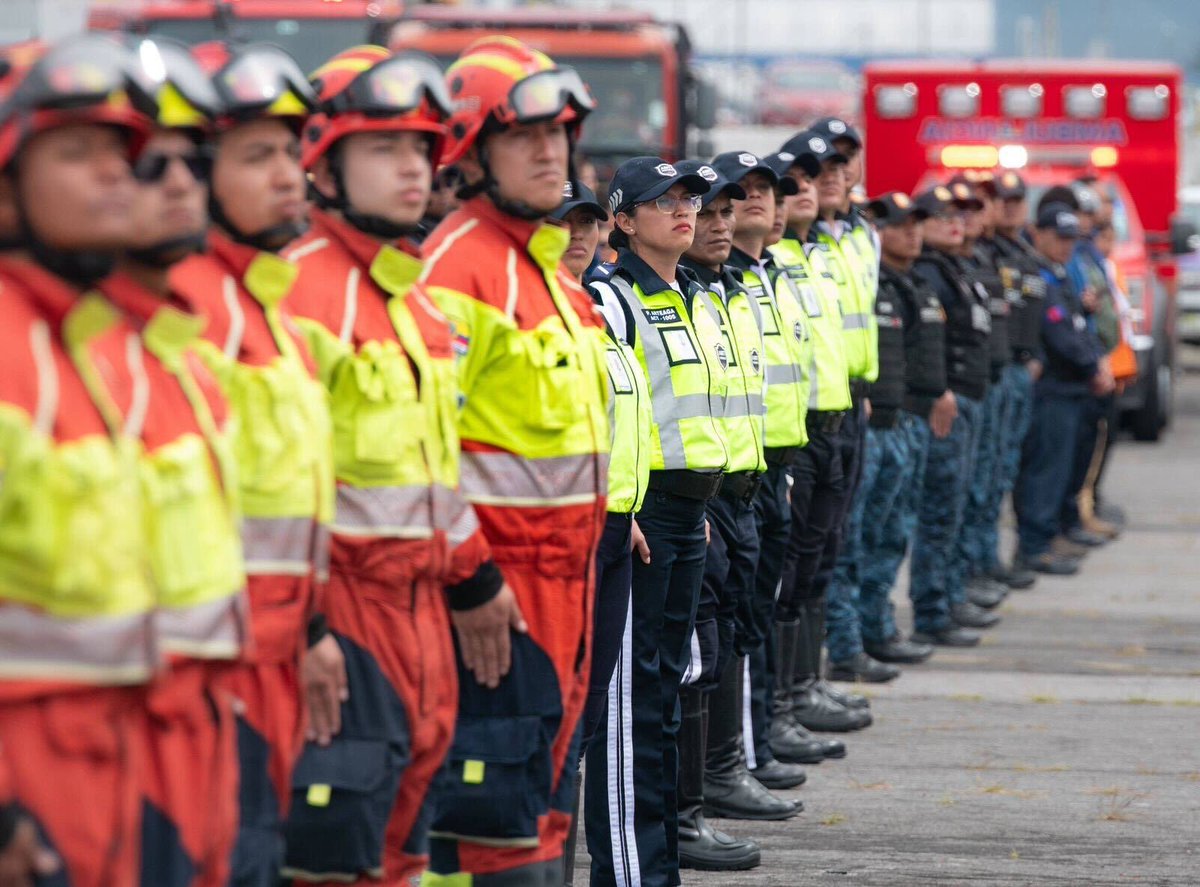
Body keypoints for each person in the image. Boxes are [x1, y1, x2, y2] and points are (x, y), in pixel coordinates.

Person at [278, 46, 514, 885]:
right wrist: (304, 628)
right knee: (332, 857)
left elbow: (431, 468)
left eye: (421, 149)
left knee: (405, 852)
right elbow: (271, 494)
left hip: (425, 618)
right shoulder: (297, 295)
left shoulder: (410, 297)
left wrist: (474, 575)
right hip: (345, 620)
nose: (413, 169)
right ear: (326, 165)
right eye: (385, 149)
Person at [420, 38, 610, 887]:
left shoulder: (553, 279)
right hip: (495, 609)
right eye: (524, 136)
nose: (550, 152)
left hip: (567, 595)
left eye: (560, 135)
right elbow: (417, 455)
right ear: (471, 150)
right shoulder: (457, 272)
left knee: (539, 823)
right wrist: (468, 579)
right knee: (489, 846)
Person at [170, 41, 335, 886]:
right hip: (203, 678)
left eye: (290, 153)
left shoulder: (256, 302)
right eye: (257, 156)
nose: (287, 175)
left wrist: (309, 628)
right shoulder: (190, 310)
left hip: (275, 653)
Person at [0, 33, 161, 887]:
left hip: (109, 773)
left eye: (116, 154)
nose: (112, 175)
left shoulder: (84, 343)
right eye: (75, 152)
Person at [102, 37, 250, 886]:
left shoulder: (179, 337)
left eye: (191, 161)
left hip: (202, 716)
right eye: (143, 161)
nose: (178, 183)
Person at [586, 156, 732, 884]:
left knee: (667, 696)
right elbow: (608, 410)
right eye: (664, 200)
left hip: (689, 514)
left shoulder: (695, 296)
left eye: (691, 200)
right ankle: (627, 871)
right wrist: (630, 506)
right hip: (643, 520)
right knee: (630, 707)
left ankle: (659, 861)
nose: (686, 211)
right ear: (621, 219)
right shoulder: (614, 298)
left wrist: (700, 507)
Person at [676, 159, 799, 836]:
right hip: (701, 495)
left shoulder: (731, 288)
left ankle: (733, 762)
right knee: (705, 642)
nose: (719, 224)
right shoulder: (679, 292)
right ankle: (713, 780)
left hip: (750, 482)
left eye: (729, 212)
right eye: (710, 212)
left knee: (742, 624)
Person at [728, 150, 848, 776]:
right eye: (739, 193)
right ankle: (749, 744)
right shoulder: (727, 282)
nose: (757, 202)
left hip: (790, 450)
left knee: (795, 580)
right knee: (749, 609)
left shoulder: (774, 272)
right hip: (740, 471)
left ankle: (773, 718)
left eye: (765, 192)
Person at [550, 179, 652, 887]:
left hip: (614, 529)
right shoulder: (535, 313)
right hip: (558, 543)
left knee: (586, 718)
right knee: (556, 725)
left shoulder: (595, 312)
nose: (580, 237)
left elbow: (614, 425)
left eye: (588, 224)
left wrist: (629, 507)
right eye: (565, 225)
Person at [770, 133, 871, 735]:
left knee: (819, 561)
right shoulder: (771, 262)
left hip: (840, 416)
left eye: (832, 169)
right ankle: (781, 707)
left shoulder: (825, 249)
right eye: (802, 178)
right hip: (796, 435)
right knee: (789, 571)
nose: (816, 184)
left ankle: (804, 685)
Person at [855, 192, 950, 665]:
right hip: (878, 427)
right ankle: (853, 640)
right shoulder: (867, 282)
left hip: (909, 422)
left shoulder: (912, 282)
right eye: (901, 225)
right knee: (861, 539)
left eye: (917, 224)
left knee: (894, 535)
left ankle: (880, 628)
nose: (912, 232)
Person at [909, 185, 993, 646]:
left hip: (965, 399)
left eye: (961, 214)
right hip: (946, 405)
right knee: (939, 511)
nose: (955, 222)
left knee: (958, 504)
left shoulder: (952, 268)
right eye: (943, 216)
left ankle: (949, 596)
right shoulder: (930, 274)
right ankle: (933, 609)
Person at [1015, 203, 1112, 575]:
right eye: (1059, 237)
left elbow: (1074, 324)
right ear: (1037, 232)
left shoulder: (1058, 273)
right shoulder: (1038, 274)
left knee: (1060, 468)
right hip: (1053, 389)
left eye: (1071, 238)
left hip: (1069, 388)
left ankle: (1049, 535)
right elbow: (1057, 330)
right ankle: (1035, 545)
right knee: (1045, 469)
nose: (1066, 245)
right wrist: (1091, 365)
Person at [949, 177, 1013, 612]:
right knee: (951, 503)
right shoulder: (936, 270)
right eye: (956, 212)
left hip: (987, 384)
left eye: (974, 208)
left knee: (986, 484)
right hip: (954, 396)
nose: (966, 220)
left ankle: (973, 572)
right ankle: (948, 596)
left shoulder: (980, 260)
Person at [988, 171, 1045, 588]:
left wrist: (1036, 356)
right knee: (986, 476)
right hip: (997, 370)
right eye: (1001, 199)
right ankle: (981, 564)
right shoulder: (985, 253)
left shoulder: (1023, 249)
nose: (1009, 206)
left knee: (1004, 471)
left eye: (1016, 199)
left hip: (1020, 368)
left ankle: (989, 562)